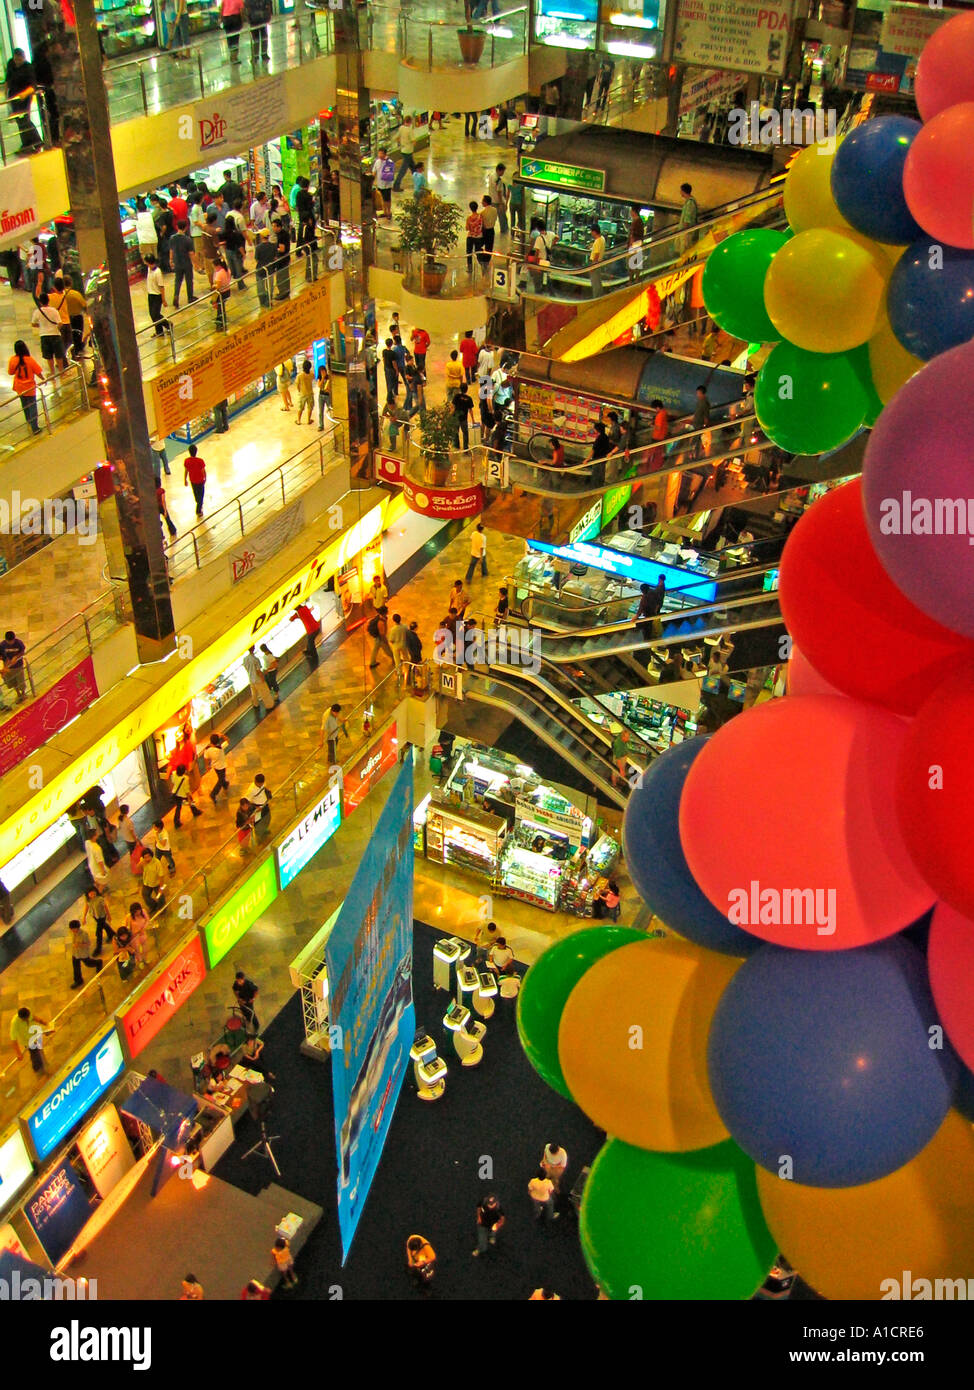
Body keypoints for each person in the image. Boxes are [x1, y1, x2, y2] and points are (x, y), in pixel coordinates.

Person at [6, 49, 41, 150]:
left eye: (20, 59)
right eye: (16, 59)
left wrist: (24, 94)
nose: (17, 61)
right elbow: (8, 80)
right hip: (14, 96)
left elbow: (33, 85)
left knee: (25, 119)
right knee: (19, 121)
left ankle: (37, 142)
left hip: (24, 97)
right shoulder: (11, 64)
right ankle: (26, 143)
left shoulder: (28, 67)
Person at [9, 340, 44, 434]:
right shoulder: (29, 360)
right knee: (32, 406)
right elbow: (38, 372)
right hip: (30, 387)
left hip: (19, 387)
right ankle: (35, 427)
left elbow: (10, 372)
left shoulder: (13, 360)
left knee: (25, 406)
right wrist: (43, 379)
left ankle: (28, 421)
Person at [31, 293, 67, 379]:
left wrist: (42, 326)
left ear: (40, 302)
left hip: (44, 335)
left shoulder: (37, 312)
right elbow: (60, 323)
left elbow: (33, 324)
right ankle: (62, 373)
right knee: (58, 355)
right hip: (55, 334)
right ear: (48, 300)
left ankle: (52, 372)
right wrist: (56, 328)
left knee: (49, 355)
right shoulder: (54, 310)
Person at [10, 1005, 48, 1073]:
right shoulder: (15, 1023)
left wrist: (44, 1023)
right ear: (21, 1018)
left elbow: (34, 1017)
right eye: (26, 1019)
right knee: (34, 1054)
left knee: (38, 1050)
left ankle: (41, 1063)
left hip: (36, 1036)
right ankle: (37, 1068)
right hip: (28, 1042)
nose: (28, 1019)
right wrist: (18, 1053)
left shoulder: (28, 1012)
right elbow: (13, 1040)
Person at [67, 919, 100, 990]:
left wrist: (79, 945)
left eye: (73, 929)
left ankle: (98, 963)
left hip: (83, 953)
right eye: (71, 929)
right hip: (75, 953)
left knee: (88, 963)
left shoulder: (84, 934)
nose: (72, 930)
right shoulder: (72, 933)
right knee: (76, 968)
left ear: (77, 928)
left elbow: (88, 944)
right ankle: (78, 980)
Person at [83, 886, 114, 955]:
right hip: (95, 916)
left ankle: (98, 948)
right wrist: (84, 917)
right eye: (91, 894)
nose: (93, 895)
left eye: (94, 893)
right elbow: (87, 906)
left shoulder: (100, 899)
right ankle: (112, 934)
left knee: (99, 933)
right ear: (88, 894)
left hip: (101, 916)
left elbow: (105, 907)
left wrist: (109, 915)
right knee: (104, 925)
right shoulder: (88, 900)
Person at [144, 255, 169, 339]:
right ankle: (159, 332)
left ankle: (168, 324)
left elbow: (161, 287)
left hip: (157, 295)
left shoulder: (157, 272)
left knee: (156, 314)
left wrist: (163, 299)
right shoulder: (149, 269)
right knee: (152, 314)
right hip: (150, 294)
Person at [0, 630, 27, 703]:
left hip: (18, 666)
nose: (10, 643)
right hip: (8, 667)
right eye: (9, 642)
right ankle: (18, 694)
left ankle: (23, 693)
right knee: (12, 682)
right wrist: (5, 660)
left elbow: (22, 652)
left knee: (20, 680)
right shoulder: (2, 645)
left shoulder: (19, 643)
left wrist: (16, 657)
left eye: (12, 641)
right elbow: (1, 655)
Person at [392, 115, 418, 191]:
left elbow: (396, 137)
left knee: (413, 168)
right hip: (408, 151)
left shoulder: (401, 128)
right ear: (410, 122)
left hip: (403, 150)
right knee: (403, 170)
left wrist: (401, 142)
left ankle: (418, 181)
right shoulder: (409, 130)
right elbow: (413, 141)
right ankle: (396, 185)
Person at [585, 420, 614, 486]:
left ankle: (595, 489)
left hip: (597, 459)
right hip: (603, 459)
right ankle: (600, 488)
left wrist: (587, 459)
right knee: (601, 475)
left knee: (596, 476)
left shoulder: (599, 438)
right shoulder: (606, 437)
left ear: (597, 430)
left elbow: (593, 450)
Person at [205, 732, 231, 802]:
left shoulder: (208, 749)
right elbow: (228, 740)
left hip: (215, 767)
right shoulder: (220, 748)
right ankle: (213, 794)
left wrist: (207, 766)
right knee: (220, 779)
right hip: (222, 766)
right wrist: (222, 735)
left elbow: (206, 758)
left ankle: (225, 784)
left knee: (221, 777)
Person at [292, 602, 320, 666]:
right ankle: (308, 652)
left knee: (311, 643)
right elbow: (305, 614)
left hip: (311, 630)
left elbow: (291, 619)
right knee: (309, 641)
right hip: (316, 626)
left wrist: (295, 616)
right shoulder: (305, 607)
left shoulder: (298, 613)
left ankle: (314, 656)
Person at [244, 773, 272, 838]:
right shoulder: (251, 790)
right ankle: (259, 834)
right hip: (258, 808)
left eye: (262, 783)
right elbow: (246, 801)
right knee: (258, 822)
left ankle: (264, 830)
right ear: (256, 782)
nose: (261, 785)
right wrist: (255, 807)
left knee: (267, 818)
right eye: (260, 784)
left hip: (265, 805)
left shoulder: (263, 784)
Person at [254, 227, 276, 308]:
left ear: (262, 236)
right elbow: (274, 257)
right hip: (270, 269)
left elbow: (257, 259)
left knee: (261, 287)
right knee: (270, 286)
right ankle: (268, 301)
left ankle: (262, 302)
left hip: (260, 269)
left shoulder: (258, 247)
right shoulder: (273, 246)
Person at [367, 604, 394, 668]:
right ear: (385, 612)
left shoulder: (380, 617)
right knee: (387, 649)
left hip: (377, 638)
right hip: (380, 638)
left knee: (375, 649)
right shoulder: (380, 622)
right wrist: (385, 641)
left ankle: (372, 662)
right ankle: (394, 658)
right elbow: (382, 634)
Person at [372, 146, 395, 218]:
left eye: (381, 153)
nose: (380, 155)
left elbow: (391, 173)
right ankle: (384, 211)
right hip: (380, 184)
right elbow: (374, 171)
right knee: (382, 198)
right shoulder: (377, 162)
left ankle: (389, 212)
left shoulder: (389, 162)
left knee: (387, 199)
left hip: (387, 185)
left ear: (385, 154)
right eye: (379, 153)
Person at [183, 444, 206, 516]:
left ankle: (199, 505)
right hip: (200, 480)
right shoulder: (200, 461)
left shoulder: (187, 461)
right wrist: (205, 478)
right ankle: (198, 510)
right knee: (201, 495)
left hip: (192, 480)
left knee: (196, 494)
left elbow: (186, 470)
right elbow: (203, 470)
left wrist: (185, 479)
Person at [141, 850, 167, 915]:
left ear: (151, 855)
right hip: (147, 882)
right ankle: (153, 906)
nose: (147, 859)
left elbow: (161, 876)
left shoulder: (157, 863)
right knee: (145, 895)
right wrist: (141, 862)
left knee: (160, 897)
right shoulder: (143, 861)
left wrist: (161, 888)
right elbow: (137, 867)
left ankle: (162, 908)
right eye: (145, 857)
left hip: (156, 883)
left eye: (148, 857)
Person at [272, 217, 291, 299]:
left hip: (282, 259)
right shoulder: (285, 233)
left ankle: (282, 293)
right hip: (286, 258)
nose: (273, 228)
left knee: (280, 277)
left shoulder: (281, 236)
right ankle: (286, 291)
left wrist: (275, 249)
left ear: (279, 227)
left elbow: (282, 249)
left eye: (275, 226)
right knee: (285, 275)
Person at [211, 254, 231, 330]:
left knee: (220, 309)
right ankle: (222, 322)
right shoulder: (227, 270)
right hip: (227, 291)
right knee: (221, 308)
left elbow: (217, 286)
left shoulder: (219, 274)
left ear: (217, 265)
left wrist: (213, 286)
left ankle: (220, 324)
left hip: (221, 293)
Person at [452, 382, 474, 449]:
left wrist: (449, 416)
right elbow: (470, 410)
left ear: (460, 389)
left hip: (456, 417)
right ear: (466, 389)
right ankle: (465, 447)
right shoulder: (469, 399)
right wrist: (473, 420)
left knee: (455, 432)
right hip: (464, 418)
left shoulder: (456, 396)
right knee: (465, 433)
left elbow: (453, 407)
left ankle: (456, 445)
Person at [465, 201, 483, 276]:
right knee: (478, 251)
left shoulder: (469, 218)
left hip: (470, 237)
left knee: (469, 252)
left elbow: (467, 228)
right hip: (478, 237)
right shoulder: (480, 217)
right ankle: (482, 265)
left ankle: (470, 268)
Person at [491, 164, 510, 236]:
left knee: (493, 217)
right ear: (499, 170)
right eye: (503, 172)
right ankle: (504, 231)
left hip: (492, 200)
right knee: (502, 217)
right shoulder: (498, 180)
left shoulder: (491, 175)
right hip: (498, 201)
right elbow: (499, 193)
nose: (503, 173)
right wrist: (501, 204)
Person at [295, 358, 315, 425]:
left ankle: (298, 420)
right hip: (310, 393)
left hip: (302, 393)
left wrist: (299, 390)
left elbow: (297, 384)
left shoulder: (300, 376)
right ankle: (308, 420)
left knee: (300, 407)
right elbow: (313, 379)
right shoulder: (311, 374)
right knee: (310, 407)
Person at [589, 222, 606, 296]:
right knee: (598, 282)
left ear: (594, 231)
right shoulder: (602, 239)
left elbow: (596, 254)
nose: (591, 233)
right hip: (599, 263)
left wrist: (592, 267)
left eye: (591, 231)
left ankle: (595, 298)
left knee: (595, 283)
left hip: (595, 265)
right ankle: (600, 297)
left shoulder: (597, 242)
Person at [316, 362, 331, 430]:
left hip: (327, 396)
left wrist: (329, 390)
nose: (323, 372)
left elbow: (330, 387)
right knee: (320, 411)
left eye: (323, 371)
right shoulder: (319, 377)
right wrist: (322, 378)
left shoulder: (328, 377)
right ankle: (321, 425)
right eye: (321, 371)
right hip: (321, 396)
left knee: (330, 409)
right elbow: (319, 385)